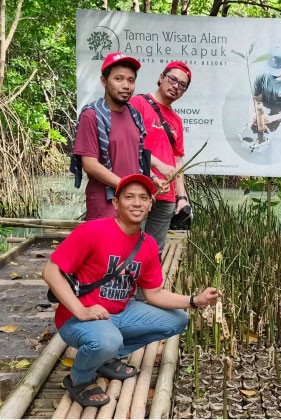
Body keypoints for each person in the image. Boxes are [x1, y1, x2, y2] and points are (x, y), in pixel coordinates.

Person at [43, 174, 221, 407]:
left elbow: (154, 294)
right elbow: (50, 271)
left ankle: (107, 357)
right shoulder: (93, 231)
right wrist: (80, 310)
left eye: (143, 198)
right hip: (78, 318)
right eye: (129, 197)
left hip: (119, 313)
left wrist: (194, 300)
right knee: (108, 338)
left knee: (177, 320)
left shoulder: (146, 244)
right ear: (116, 203)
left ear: (150, 205)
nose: (137, 203)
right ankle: (79, 379)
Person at [72, 52, 161, 220]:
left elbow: (137, 159)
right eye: (118, 79)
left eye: (130, 80)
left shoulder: (135, 115)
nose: (126, 85)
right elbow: (90, 164)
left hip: (134, 208)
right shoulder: (91, 115)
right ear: (104, 81)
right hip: (105, 207)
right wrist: (127, 187)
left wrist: (151, 180)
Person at [128, 61, 192, 251]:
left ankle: (148, 282)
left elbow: (178, 159)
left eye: (182, 85)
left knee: (154, 250)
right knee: (129, 246)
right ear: (161, 78)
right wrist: (157, 167)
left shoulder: (177, 121)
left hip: (166, 195)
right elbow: (130, 144)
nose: (176, 86)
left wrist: (182, 197)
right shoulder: (138, 104)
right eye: (173, 79)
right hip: (139, 189)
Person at [250, 46, 281, 134]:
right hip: (264, 112)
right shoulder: (261, 76)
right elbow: (256, 97)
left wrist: (273, 118)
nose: (273, 74)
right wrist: (255, 113)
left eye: (277, 70)